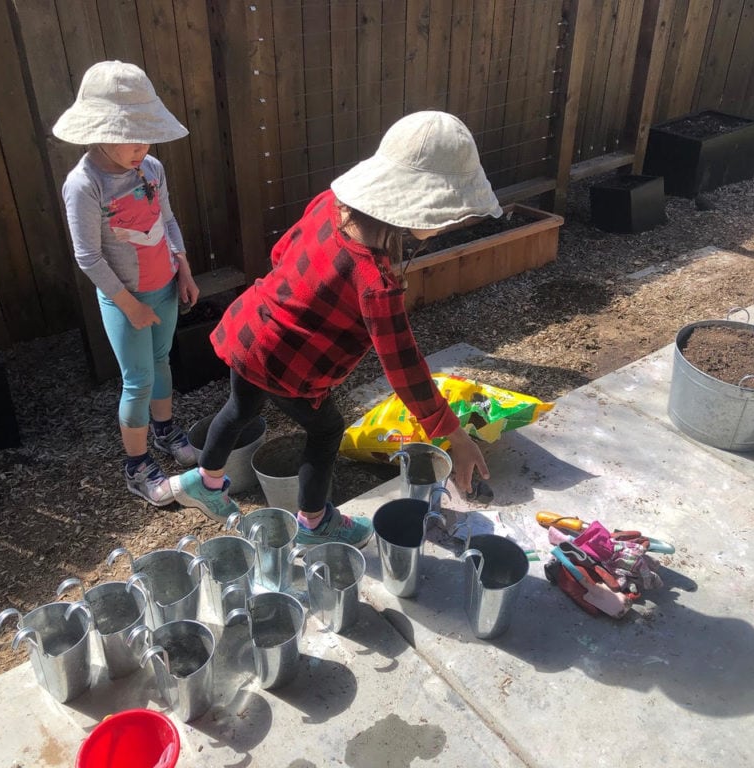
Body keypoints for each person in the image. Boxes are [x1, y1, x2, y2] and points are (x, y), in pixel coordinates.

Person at [170, 110, 498, 545]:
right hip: (285, 364)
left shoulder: (331, 204)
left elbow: (281, 251)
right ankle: (313, 522)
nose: (446, 225)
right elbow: (405, 369)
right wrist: (454, 435)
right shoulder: (376, 284)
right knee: (326, 431)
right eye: (445, 216)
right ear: (416, 208)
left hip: (251, 330)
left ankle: (206, 481)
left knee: (241, 407)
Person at [53, 61, 200, 506]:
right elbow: (88, 256)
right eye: (129, 136)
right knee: (136, 379)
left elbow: (168, 219)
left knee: (162, 361)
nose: (141, 146)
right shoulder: (84, 185)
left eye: (146, 134)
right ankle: (137, 466)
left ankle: (165, 432)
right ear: (99, 130)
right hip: (125, 301)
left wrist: (185, 268)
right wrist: (129, 305)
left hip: (165, 287)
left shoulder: (151, 167)